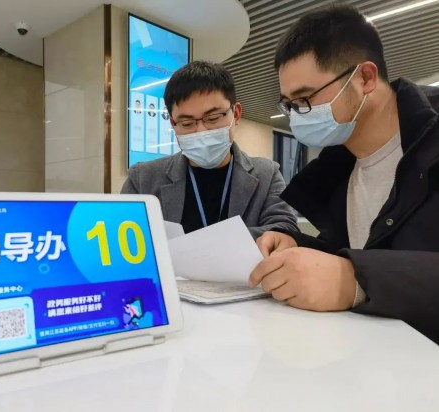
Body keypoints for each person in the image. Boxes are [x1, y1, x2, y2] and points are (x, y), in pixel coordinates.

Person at [250, 4, 439, 343]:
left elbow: (362, 268)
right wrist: (296, 244)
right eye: (290, 105)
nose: (297, 115)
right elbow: (353, 248)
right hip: (371, 358)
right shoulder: (339, 167)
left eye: (305, 98)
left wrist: (355, 279)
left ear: (365, 78)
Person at [121, 61, 298, 239]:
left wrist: (209, 244)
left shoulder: (267, 174)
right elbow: (123, 236)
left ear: (236, 114)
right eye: (187, 123)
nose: (201, 131)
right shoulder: (143, 179)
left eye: (213, 118)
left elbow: (284, 230)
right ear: (173, 124)